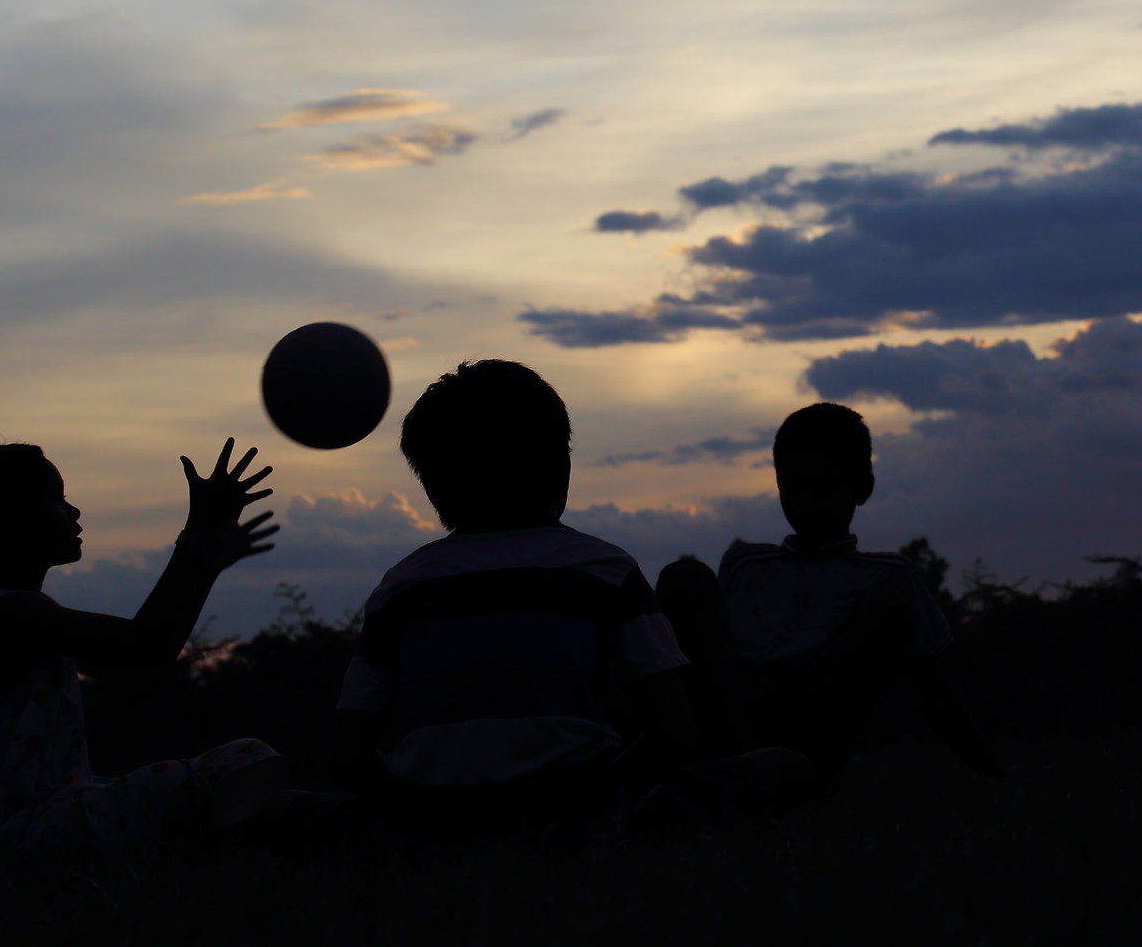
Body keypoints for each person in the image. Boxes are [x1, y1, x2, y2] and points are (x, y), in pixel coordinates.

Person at [330, 360, 803, 840]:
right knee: (786, 765)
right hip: (578, 816)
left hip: (432, 824)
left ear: (432, 484)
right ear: (562, 466)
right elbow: (676, 736)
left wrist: (418, 816)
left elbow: (348, 757)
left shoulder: (401, 587)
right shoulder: (603, 570)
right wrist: (602, 798)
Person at [0, 439, 291, 858]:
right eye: (56, 500)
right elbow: (145, 644)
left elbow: (144, 668)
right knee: (235, 764)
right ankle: (226, 850)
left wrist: (204, 562)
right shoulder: (13, 614)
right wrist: (198, 539)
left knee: (236, 766)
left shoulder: (14, 615)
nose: (74, 512)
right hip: (18, 837)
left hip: (23, 830)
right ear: (3, 529)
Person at [656, 402, 1000, 790]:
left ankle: (756, 772)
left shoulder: (888, 578)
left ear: (862, 488)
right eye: (794, 488)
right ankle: (730, 762)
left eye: (825, 487)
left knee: (889, 600)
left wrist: (991, 772)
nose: (808, 504)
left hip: (808, 737)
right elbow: (705, 657)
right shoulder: (746, 564)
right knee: (685, 577)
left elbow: (934, 691)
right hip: (729, 726)